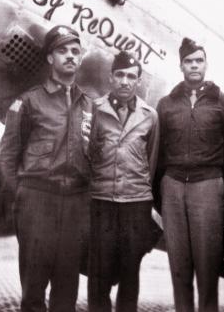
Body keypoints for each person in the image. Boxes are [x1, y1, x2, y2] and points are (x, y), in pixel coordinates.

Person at [0, 25, 92, 312]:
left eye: (75, 51)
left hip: (75, 204)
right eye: (62, 51)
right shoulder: (28, 101)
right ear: (50, 58)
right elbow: (8, 153)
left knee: (66, 290)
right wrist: (26, 195)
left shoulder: (89, 105)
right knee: (34, 287)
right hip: (37, 201)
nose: (70, 57)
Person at [156, 37, 224, 312]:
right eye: (189, 61)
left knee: (207, 265)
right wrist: (161, 194)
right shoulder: (166, 105)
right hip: (173, 186)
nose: (194, 66)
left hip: (208, 185)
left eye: (199, 60)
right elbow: (158, 154)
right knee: (178, 264)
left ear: (206, 64)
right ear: (180, 66)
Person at [87, 51, 160, 312]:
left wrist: (138, 189)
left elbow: (151, 160)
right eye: (120, 75)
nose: (125, 81)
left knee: (130, 272)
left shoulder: (150, 115)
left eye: (131, 76)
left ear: (138, 81)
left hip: (135, 204)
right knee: (99, 272)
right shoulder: (95, 109)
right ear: (111, 78)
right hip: (102, 200)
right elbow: (89, 153)